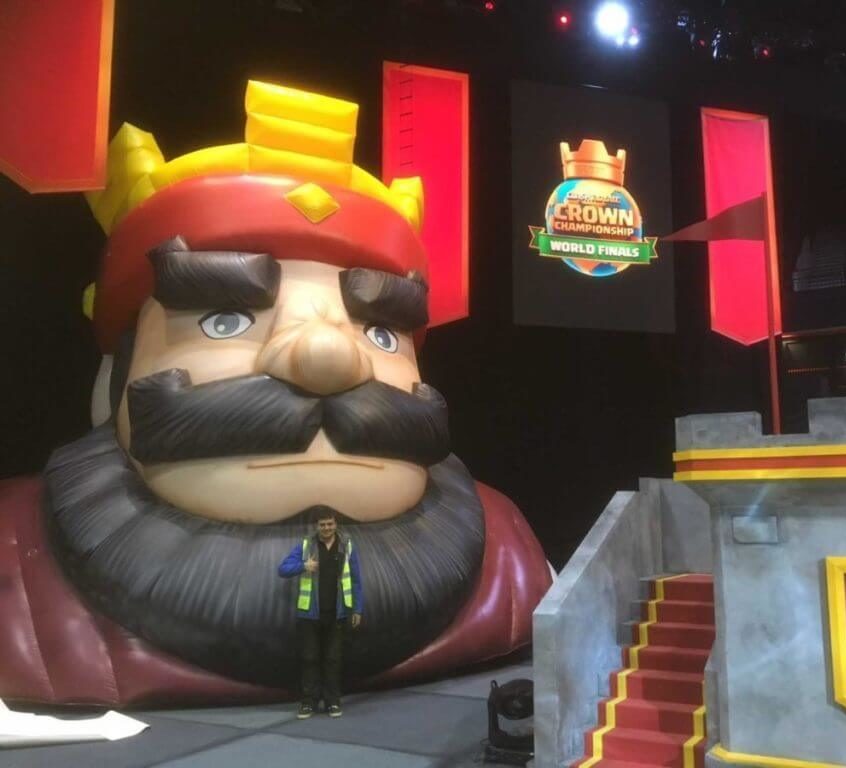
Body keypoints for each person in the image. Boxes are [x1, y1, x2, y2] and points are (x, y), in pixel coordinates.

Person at [0, 79, 552, 707]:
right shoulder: (14, 565)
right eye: (225, 320)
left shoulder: (511, 559)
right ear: (113, 383)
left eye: (379, 332)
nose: (326, 357)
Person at [278, 508, 363, 718]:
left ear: (336, 524)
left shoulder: (347, 546)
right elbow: (282, 569)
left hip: (338, 613)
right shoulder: (306, 545)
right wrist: (303, 565)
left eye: (330, 524)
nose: (326, 528)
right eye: (322, 525)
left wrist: (357, 609)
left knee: (333, 659)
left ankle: (333, 702)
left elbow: (355, 580)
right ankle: (308, 702)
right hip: (310, 614)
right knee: (310, 658)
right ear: (316, 526)